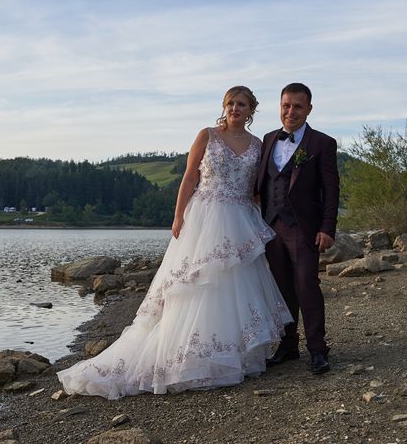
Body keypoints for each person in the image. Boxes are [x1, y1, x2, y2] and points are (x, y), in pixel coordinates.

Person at [57, 86, 292, 398]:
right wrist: (178, 216)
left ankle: (231, 356)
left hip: (241, 218)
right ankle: (186, 360)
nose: (235, 108)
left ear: (251, 110)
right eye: (230, 103)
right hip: (205, 217)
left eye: (242, 104)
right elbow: (189, 178)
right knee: (197, 284)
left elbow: (256, 188)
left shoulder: (258, 144)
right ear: (223, 107)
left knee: (234, 285)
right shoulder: (207, 135)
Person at [256, 83, 339, 374]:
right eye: (286, 106)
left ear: (309, 109)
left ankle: (318, 350)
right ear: (280, 106)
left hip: (304, 228)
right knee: (280, 289)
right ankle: (288, 346)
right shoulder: (267, 140)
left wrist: (327, 228)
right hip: (270, 226)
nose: (290, 112)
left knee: (307, 286)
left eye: (297, 107)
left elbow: (331, 191)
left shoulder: (322, 143)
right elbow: (261, 185)